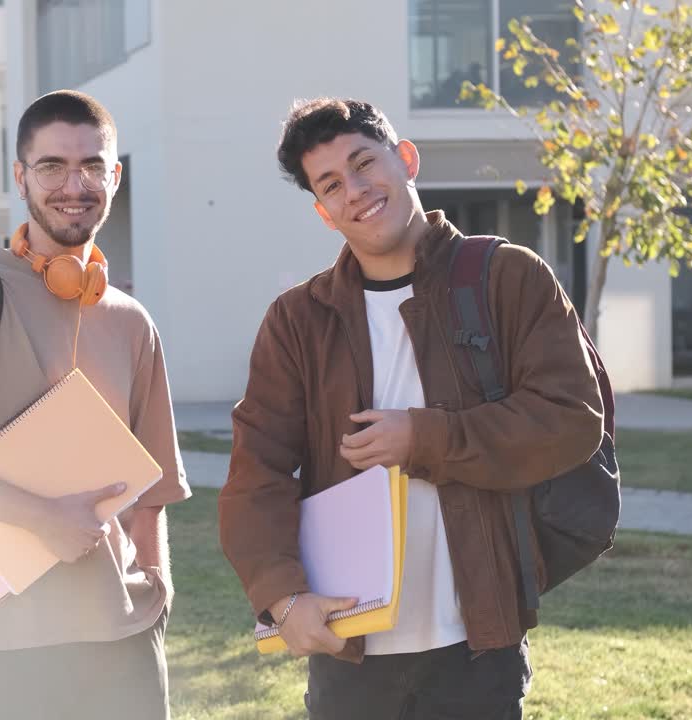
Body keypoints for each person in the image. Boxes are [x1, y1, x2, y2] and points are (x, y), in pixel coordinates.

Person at [217, 97, 603, 719]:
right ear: (323, 212)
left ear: (406, 159)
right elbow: (255, 472)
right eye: (332, 185)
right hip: (351, 650)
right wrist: (283, 599)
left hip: (479, 643)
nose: (357, 190)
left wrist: (424, 439)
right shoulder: (297, 321)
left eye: (365, 163)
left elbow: (571, 418)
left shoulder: (507, 277)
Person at [0, 89, 190, 720]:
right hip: (7, 644)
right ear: (20, 177)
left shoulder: (132, 321)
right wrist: (43, 518)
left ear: (115, 175)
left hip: (125, 636)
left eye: (92, 166)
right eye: (51, 166)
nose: (74, 185)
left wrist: (155, 585)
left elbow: (154, 482)